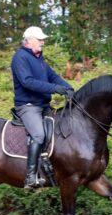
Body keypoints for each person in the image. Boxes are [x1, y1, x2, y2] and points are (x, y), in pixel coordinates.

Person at [11, 26, 74, 189]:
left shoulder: (39, 58)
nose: (43, 42)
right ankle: (30, 177)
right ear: (30, 40)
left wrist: (68, 88)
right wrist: (54, 89)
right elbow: (27, 82)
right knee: (39, 134)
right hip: (28, 106)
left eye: (42, 39)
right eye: (40, 39)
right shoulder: (20, 58)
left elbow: (53, 76)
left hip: (44, 105)